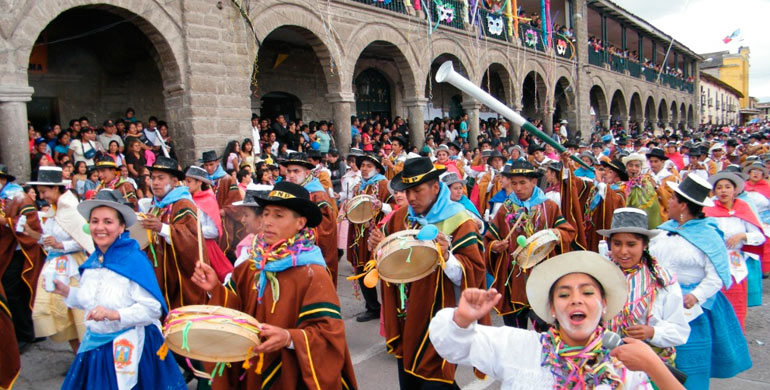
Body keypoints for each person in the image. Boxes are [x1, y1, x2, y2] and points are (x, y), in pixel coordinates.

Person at [429, 251, 685, 390]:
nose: (576, 300)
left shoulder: (625, 365)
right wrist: (462, 318)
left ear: (604, 304)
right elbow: (452, 346)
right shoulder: (519, 347)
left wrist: (654, 366)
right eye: (564, 294)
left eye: (587, 292)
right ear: (551, 309)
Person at [190, 181, 358, 390]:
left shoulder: (312, 273)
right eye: (266, 213)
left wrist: (289, 337)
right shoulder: (252, 264)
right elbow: (237, 310)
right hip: (252, 368)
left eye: (278, 215)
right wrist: (215, 288)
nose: (268, 221)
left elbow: (328, 335)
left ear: (300, 223)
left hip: (291, 374)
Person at [368, 157, 486, 389]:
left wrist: (448, 256)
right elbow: (389, 261)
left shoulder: (461, 222)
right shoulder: (402, 216)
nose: (411, 198)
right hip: (406, 313)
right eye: (407, 191)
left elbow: (474, 273)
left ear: (435, 187)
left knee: (435, 379)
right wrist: (380, 246)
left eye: (417, 190)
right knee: (410, 378)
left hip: (440, 315)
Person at [52, 189, 186, 389]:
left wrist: (114, 314)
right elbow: (93, 300)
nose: (100, 227)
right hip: (95, 349)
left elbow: (152, 310)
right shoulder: (93, 262)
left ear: (122, 226)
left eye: (108, 222)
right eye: (95, 221)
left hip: (130, 349)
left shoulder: (134, 261)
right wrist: (67, 292)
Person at [650, 174, 752, 389]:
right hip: (660, 303)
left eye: (672, 199)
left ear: (683, 205)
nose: (668, 202)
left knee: (687, 362)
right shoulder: (664, 231)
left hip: (691, 309)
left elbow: (716, 275)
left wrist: (695, 296)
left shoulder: (708, 235)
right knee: (658, 359)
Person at [484, 160, 576, 329]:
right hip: (513, 278)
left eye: (522, 183)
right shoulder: (505, 209)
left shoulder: (549, 207)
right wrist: (495, 246)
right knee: (515, 332)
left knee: (544, 329)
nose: (518, 188)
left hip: (542, 274)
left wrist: (557, 233)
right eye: (514, 183)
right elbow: (489, 239)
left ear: (534, 182)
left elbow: (568, 232)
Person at [597, 208, 690, 365]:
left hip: (648, 363)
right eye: (617, 244)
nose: (623, 251)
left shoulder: (662, 280)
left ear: (645, 245)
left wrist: (653, 332)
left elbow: (680, 330)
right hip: (605, 362)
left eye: (631, 244)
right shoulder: (599, 276)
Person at [25, 167, 95, 353]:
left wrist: (60, 245)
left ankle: (86, 356)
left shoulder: (71, 210)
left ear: (56, 188)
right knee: (62, 314)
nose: (42, 196)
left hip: (72, 267)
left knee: (78, 313)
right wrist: (33, 234)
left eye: (44, 191)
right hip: (55, 266)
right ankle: (76, 354)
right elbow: (48, 239)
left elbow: (83, 241)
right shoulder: (53, 212)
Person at [139, 156, 207, 310]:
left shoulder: (183, 204)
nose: (155, 182)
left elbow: (193, 241)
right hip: (161, 271)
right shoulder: (156, 205)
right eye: (153, 178)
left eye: (161, 178)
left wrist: (161, 228)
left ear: (175, 182)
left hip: (180, 276)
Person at [0, 165, 45, 389]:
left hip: (21, 253)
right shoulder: (5, 197)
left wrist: (5, 222)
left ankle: (27, 333)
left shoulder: (17, 196)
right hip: (11, 251)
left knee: (16, 292)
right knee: (14, 292)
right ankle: (25, 329)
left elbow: (28, 225)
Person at [704, 170, 766, 328]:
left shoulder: (743, 208)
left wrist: (742, 236)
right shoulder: (707, 210)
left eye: (727, 187)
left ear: (735, 190)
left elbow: (759, 237)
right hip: (712, 261)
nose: (723, 191)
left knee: (735, 305)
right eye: (719, 187)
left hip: (735, 264)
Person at [346, 152, 394, 322]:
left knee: (385, 269)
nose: (364, 169)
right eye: (363, 166)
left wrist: (382, 206)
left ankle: (392, 308)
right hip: (360, 235)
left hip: (379, 234)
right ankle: (372, 306)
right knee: (362, 269)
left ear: (377, 169)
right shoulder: (358, 187)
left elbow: (398, 206)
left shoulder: (384, 185)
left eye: (369, 166)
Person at [280, 152, 339, 286]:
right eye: (289, 171)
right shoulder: (288, 190)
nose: (291, 175)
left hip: (310, 250)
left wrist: (302, 226)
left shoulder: (317, 194)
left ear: (307, 172)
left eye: (296, 171)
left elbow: (328, 225)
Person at [184, 166, 234, 282]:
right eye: (185, 181)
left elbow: (214, 231)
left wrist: (193, 230)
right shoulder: (185, 200)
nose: (186, 185)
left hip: (206, 247)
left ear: (199, 182)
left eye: (189, 181)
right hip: (188, 245)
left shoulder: (208, 200)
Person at [200, 150, 245, 261]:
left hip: (224, 219)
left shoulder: (227, 179)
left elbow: (235, 200)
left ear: (217, 163)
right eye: (206, 165)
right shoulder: (203, 181)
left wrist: (225, 210)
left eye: (211, 164)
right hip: (207, 218)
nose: (209, 168)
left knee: (224, 247)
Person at [621, 153, 662, 229]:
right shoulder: (621, 183)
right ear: (626, 167)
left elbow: (653, 209)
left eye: (637, 166)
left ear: (641, 168)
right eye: (630, 165)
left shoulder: (647, 184)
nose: (633, 169)